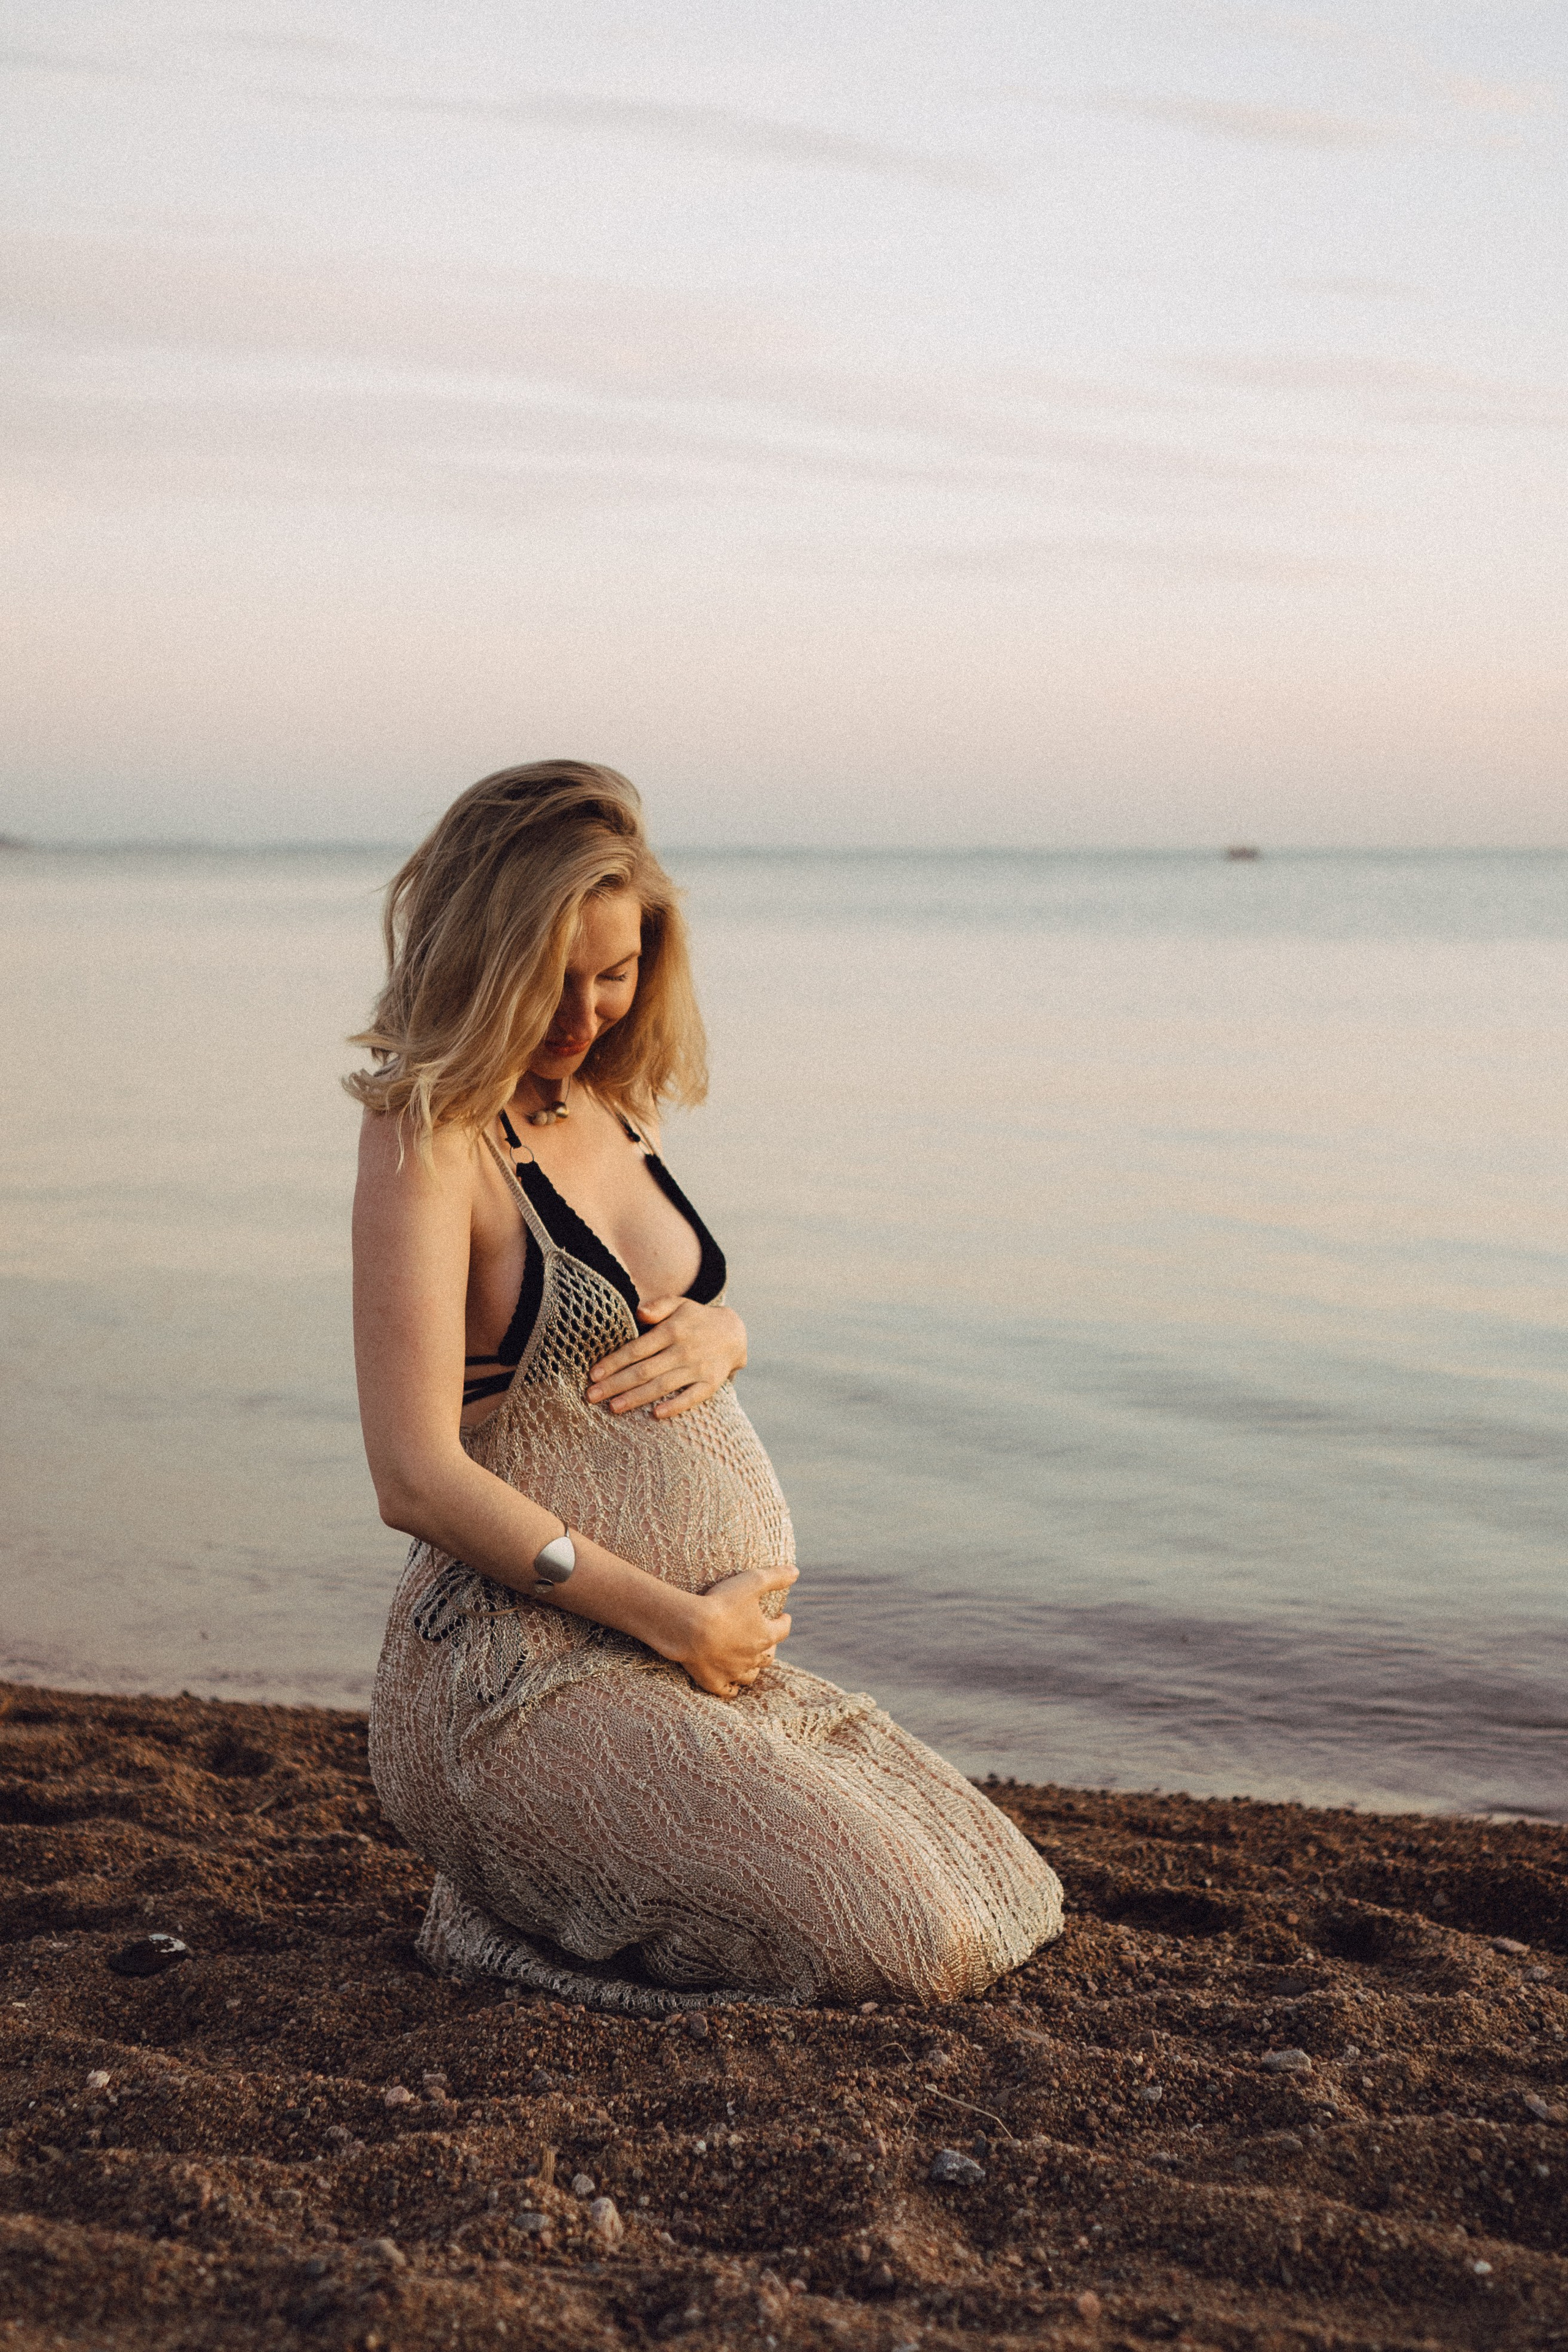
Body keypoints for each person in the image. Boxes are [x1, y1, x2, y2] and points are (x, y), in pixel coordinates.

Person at [350, 761, 1063, 2011]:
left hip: (684, 1667)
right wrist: (678, 1618)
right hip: (520, 1678)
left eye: (613, 972)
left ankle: (553, 1881)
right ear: (478, 955)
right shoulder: (430, 1135)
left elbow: (645, 1313)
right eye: (550, 980)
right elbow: (415, 1477)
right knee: (904, 1948)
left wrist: (727, 1333)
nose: (584, 1014)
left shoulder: (614, 1105)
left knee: (1006, 1895)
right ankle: (492, 1921)